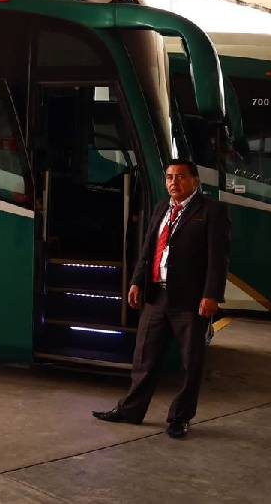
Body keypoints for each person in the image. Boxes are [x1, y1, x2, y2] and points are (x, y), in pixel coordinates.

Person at [93, 158, 229, 438]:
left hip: (191, 300)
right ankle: (131, 410)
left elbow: (219, 258)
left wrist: (212, 294)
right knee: (144, 357)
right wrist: (136, 282)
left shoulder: (211, 211)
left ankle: (180, 418)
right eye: (169, 177)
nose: (173, 182)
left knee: (191, 362)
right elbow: (148, 249)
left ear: (195, 181)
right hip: (157, 295)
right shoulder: (161, 208)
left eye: (180, 177)